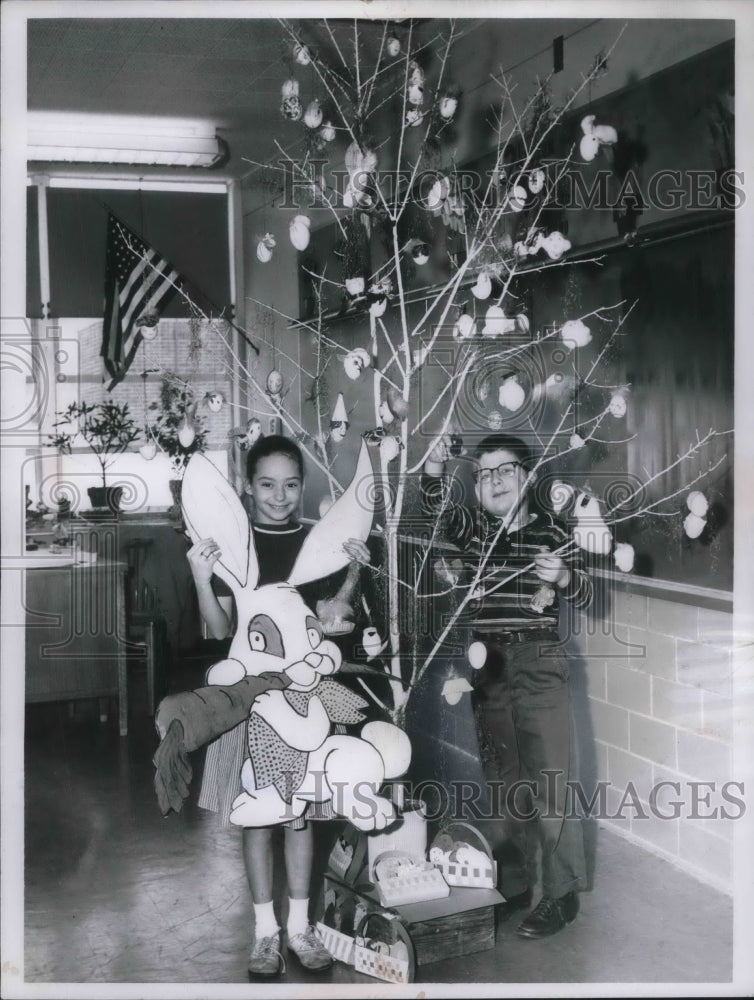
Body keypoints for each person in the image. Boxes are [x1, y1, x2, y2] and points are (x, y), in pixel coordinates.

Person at [187, 434, 370, 977]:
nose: (279, 495)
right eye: (266, 484)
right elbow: (219, 629)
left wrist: (356, 571)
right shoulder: (229, 544)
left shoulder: (322, 545)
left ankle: (300, 927)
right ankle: (265, 932)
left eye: (291, 484)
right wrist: (201, 576)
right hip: (248, 700)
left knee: (299, 817)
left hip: (303, 703)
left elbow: (335, 624)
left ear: (303, 486)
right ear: (247, 486)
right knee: (258, 820)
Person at [422, 432, 593, 939]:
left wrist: (562, 577)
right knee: (504, 779)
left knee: (552, 780)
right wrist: (433, 472)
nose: (494, 480)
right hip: (489, 662)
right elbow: (437, 509)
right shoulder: (476, 532)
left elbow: (585, 594)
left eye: (505, 470)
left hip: (539, 659)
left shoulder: (553, 532)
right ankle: (517, 881)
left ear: (528, 475)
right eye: (483, 473)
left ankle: (561, 895)